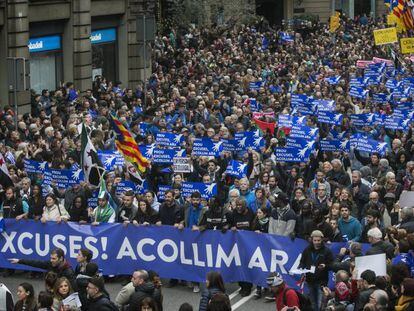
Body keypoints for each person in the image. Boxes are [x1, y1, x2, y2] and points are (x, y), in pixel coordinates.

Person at [299, 230, 334, 311]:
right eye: (315, 240)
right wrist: (301, 268)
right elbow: (302, 261)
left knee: (320, 303)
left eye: (318, 240)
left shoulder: (326, 251)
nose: (316, 242)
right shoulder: (307, 249)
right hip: (310, 280)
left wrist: (325, 266)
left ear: (322, 240)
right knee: (312, 302)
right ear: (312, 240)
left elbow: (332, 265)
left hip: (321, 281)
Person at [9, 248, 75, 286]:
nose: (51, 260)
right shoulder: (51, 264)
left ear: (61, 258)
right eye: (51, 258)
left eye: (54, 258)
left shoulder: (68, 272)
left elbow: (71, 290)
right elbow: (35, 263)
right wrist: (19, 261)